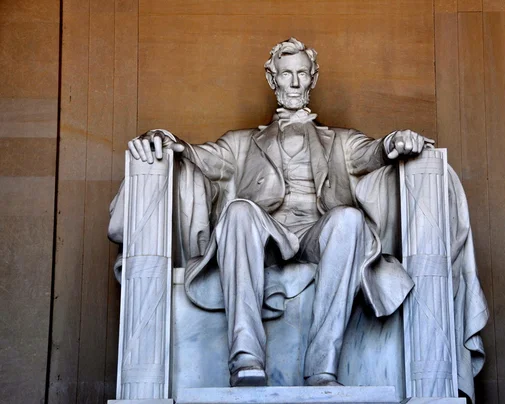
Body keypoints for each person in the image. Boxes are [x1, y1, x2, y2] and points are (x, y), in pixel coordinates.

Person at [127, 38, 433, 387]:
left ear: (313, 79)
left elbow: (374, 152)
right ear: (272, 79)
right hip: (267, 235)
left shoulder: (341, 141)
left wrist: (396, 141)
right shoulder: (241, 143)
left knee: (349, 218)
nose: (295, 82)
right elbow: (196, 155)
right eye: (286, 74)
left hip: (319, 235)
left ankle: (323, 367)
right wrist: (163, 138)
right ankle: (245, 359)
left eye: (302, 73)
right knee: (239, 211)